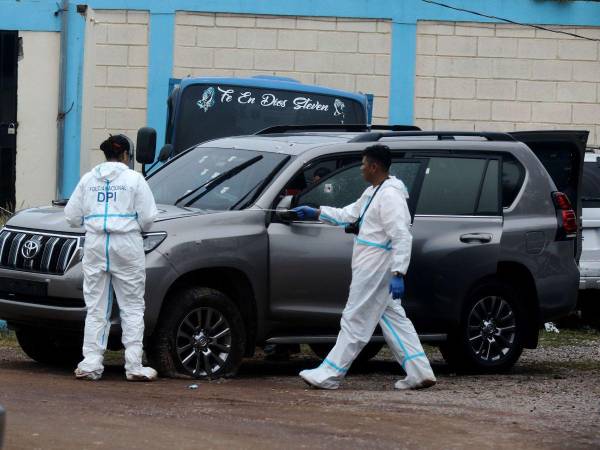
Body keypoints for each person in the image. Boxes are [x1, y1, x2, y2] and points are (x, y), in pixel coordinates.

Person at [292, 144, 436, 390]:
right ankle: (419, 371)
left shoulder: (390, 196)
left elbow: (401, 235)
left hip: (375, 267)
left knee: (354, 319)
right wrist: (317, 213)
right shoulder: (375, 191)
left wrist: (398, 272)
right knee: (393, 319)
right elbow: (350, 214)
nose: (360, 169)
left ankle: (329, 374)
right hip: (373, 265)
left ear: (374, 166)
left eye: (362, 164)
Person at [65, 134, 159, 381]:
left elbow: (71, 217)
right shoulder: (134, 179)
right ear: (127, 155)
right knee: (132, 306)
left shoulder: (88, 180)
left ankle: (90, 364)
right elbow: (148, 218)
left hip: (96, 243)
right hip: (126, 243)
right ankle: (134, 366)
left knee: (96, 306)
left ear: (105, 154)